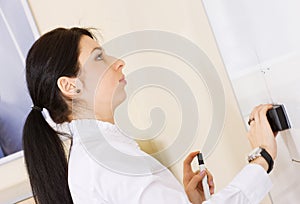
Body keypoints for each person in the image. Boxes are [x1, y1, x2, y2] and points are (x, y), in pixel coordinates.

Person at [22, 27, 277, 204]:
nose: (118, 62)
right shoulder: (105, 158)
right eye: (98, 58)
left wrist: (183, 199)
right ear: (70, 86)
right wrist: (262, 157)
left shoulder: (97, 153)